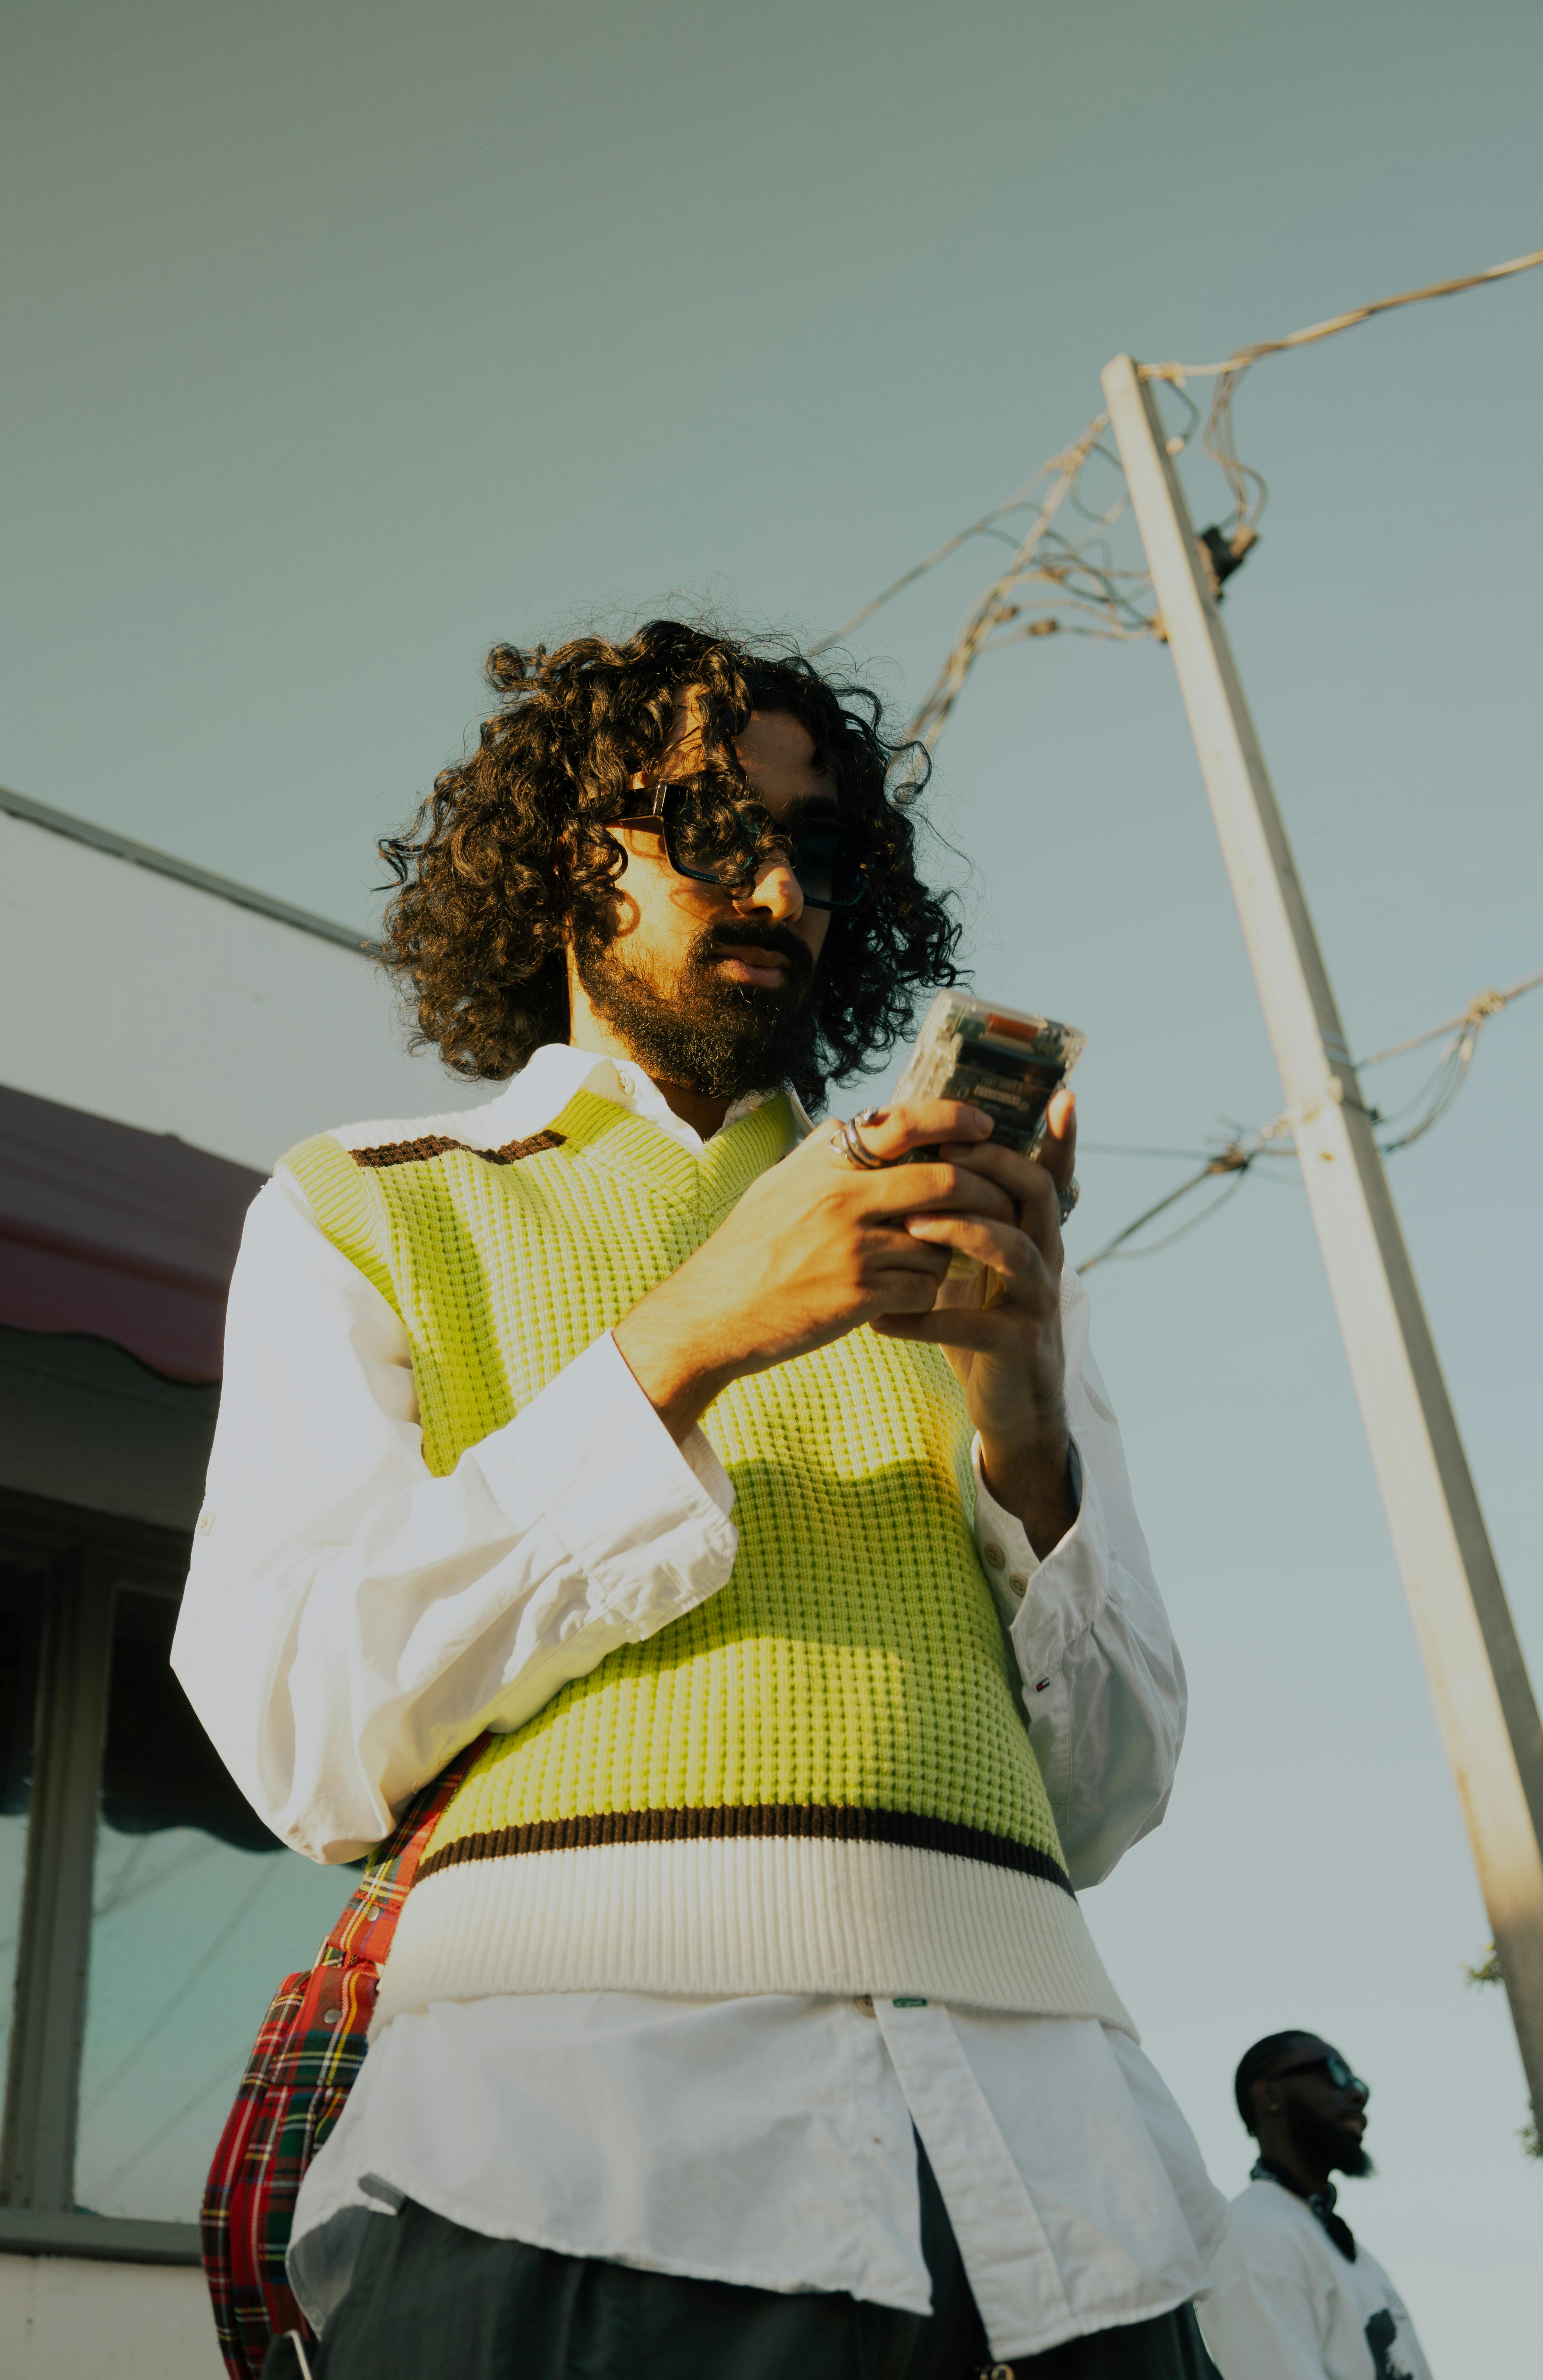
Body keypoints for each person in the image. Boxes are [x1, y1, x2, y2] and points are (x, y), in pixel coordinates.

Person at [174, 620, 1226, 2378]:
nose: (773, 886)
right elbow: (306, 1727)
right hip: (577, 2164)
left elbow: (1106, 1796)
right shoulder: (363, 1201)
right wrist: (698, 1331)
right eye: (703, 826)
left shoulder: (960, 1244)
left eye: (812, 849)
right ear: (556, 858)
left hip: (1065, 2202)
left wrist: (1021, 1405)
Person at [1197, 2031, 1433, 2380]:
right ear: (1269, 2096)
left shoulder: (1346, 2248)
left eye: (1357, 2082)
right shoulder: (1254, 2236)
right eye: (1334, 2073)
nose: (1357, 2094)